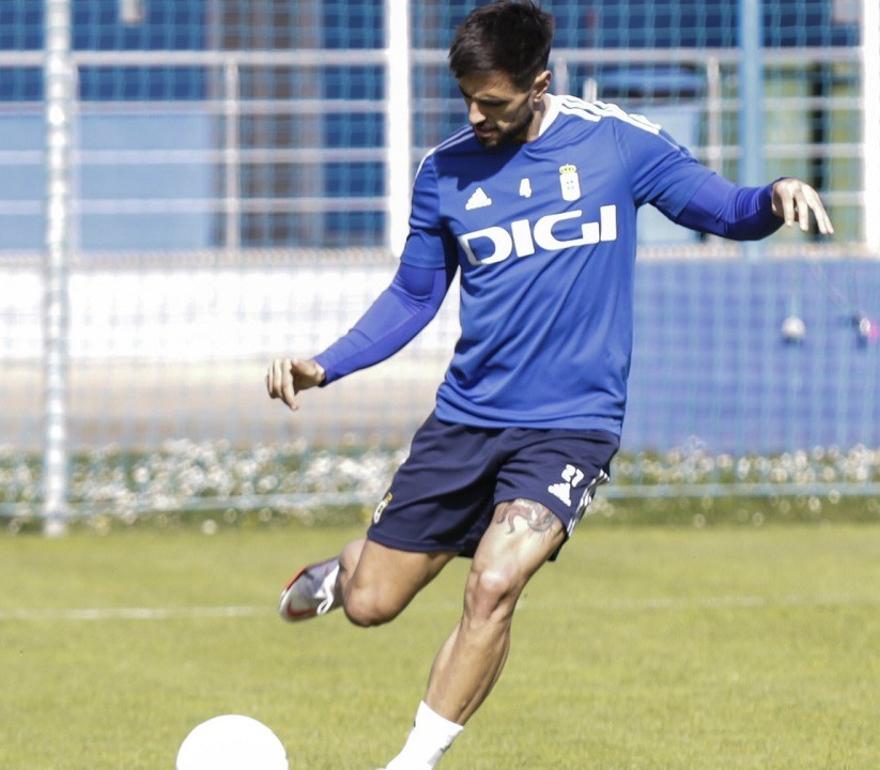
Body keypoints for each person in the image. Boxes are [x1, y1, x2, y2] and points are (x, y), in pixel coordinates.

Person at [265, 2, 833, 767]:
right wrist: (326, 363)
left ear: (540, 83)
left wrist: (773, 197)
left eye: (492, 102)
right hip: (467, 419)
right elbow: (412, 296)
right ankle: (348, 566)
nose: (476, 114)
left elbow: (723, 208)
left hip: (573, 423)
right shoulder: (444, 173)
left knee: (495, 583)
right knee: (371, 605)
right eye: (465, 97)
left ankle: (413, 761)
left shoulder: (615, 144)